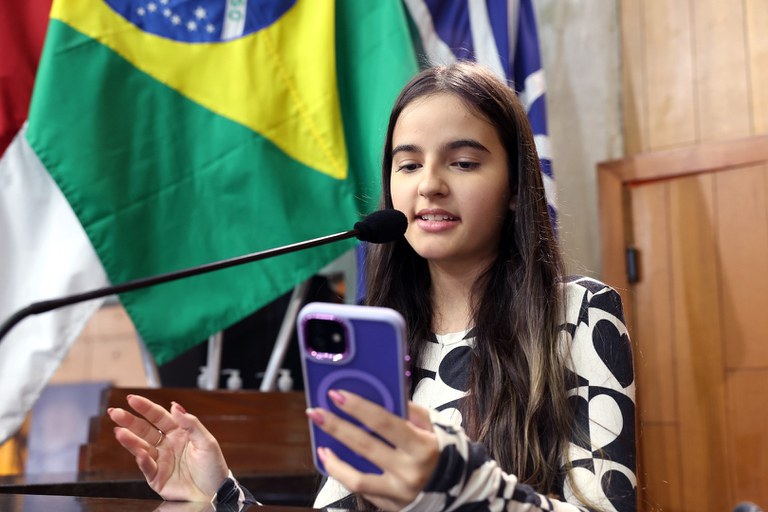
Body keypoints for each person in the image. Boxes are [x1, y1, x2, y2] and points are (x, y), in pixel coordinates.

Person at [108, 61, 636, 512]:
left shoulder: (579, 312)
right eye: (408, 164)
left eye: (463, 162)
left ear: (517, 187)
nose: (429, 184)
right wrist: (222, 495)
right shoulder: (376, 336)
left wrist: (461, 483)